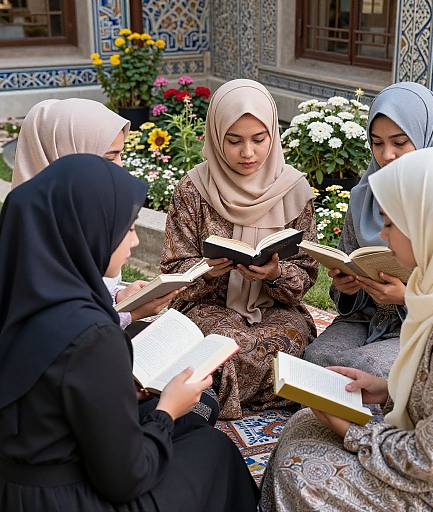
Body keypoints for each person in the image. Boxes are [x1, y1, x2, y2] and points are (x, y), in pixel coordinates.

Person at [0, 154, 259, 511]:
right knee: (213, 450)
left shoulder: (16, 298)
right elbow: (127, 478)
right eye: (128, 228)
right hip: (63, 498)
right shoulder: (89, 333)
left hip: (14, 484)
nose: (134, 242)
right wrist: (167, 410)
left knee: (191, 422)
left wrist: (122, 392)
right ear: (89, 230)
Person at [260, 146, 433, 511]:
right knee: (303, 426)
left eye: (392, 224)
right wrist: (386, 389)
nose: (383, 234)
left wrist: (352, 432)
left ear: (432, 229)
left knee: (302, 469)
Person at [161, 79, 319, 419]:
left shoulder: (294, 189)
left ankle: (211, 395)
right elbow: (172, 271)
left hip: (275, 309)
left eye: (259, 140)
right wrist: (206, 270)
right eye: (234, 141)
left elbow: (307, 271)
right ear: (216, 137)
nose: (247, 153)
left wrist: (276, 274)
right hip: (209, 306)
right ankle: (218, 397)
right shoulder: (193, 190)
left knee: (291, 344)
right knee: (222, 347)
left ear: (273, 135)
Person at [304, 82, 433, 377]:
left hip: (427, 328)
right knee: (315, 359)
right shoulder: (365, 196)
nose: (386, 155)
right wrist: (347, 288)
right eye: (377, 142)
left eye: (400, 143)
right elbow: (347, 272)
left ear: (426, 137)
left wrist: (406, 297)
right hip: (366, 318)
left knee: (362, 370)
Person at [11, 98, 174, 329]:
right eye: (109, 157)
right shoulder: (38, 240)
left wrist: (118, 296)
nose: (119, 167)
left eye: (120, 154)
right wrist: (131, 315)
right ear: (66, 153)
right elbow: (63, 334)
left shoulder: (75, 212)